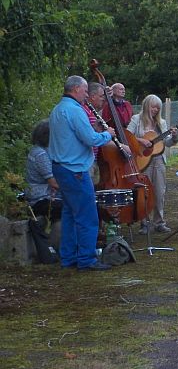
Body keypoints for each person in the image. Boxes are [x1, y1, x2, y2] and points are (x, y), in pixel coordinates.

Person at [48, 75, 116, 271]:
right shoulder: (75, 111)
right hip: (75, 169)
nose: (87, 94)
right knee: (87, 215)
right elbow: (90, 139)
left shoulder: (57, 109)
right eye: (85, 90)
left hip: (60, 167)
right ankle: (87, 259)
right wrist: (107, 134)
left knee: (70, 214)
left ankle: (68, 258)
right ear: (76, 89)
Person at [127, 95, 178, 233]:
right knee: (143, 191)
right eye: (153, 106)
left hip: (159, 160)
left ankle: (159, 222)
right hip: (142, 160)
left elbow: (167, 143)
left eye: (158, 107)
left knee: (159, 192)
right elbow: (127, 136)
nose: (155, 110)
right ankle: (144, 223)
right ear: (146, 105)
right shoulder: (136, 120)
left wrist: (174, 137)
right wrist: (141, 141)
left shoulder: (161, 123)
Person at [25, 119, 62, 222]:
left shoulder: (39, 150)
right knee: (73, 205)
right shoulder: (40, 154)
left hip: (45, 197)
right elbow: (53, 183)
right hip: (40, 200)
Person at [83, 82, 107, 184]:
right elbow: (86, 136)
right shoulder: (83, 111)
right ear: (92, 96)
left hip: (94, 159)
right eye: (101, 96)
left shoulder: (93, 112)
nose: (103, 99)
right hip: (87, 161)